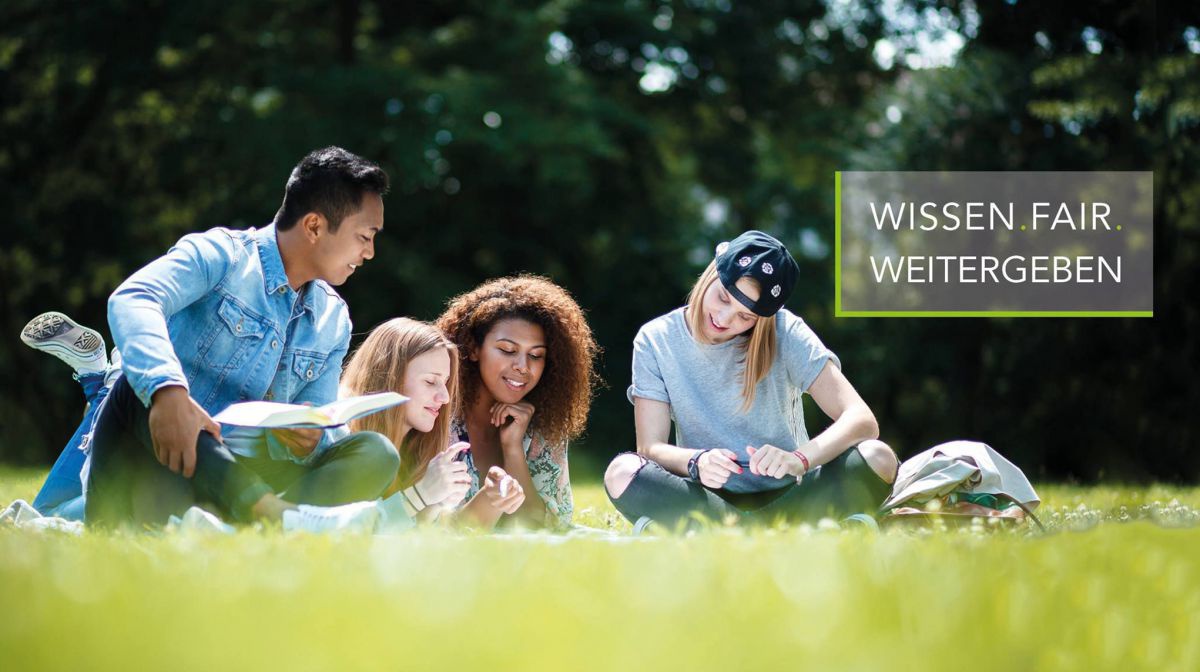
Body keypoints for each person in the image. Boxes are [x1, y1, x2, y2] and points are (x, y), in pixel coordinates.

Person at [83, 146, 401, 531]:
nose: (370, 252)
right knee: (142, 387)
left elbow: (320, 423)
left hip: (250, 480)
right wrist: (168, 391)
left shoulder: (333, 320)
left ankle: (248, 524)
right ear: (315, 226)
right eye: (365, 236)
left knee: (376, 452)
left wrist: (308, 440)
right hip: (164, 473)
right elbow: (134, 298)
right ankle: (269, 517)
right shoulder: (221, 255)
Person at [603, 230, 899, 532]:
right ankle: (789, 528)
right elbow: (650, 448)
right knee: (622, 471)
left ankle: (711, 531)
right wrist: (696, 462)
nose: (724, 317)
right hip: (707, 497)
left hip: (792, 493)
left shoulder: (787, 331)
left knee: (879, 457)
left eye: (745, 317)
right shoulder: (655, 339)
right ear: (712, 273)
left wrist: (800, 458)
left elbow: (862, 420)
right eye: (723, 297)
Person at [435, 275, 600, 530]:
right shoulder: (435, 414)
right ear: (473, 348)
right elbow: (434, 532)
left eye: (536, 355)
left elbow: (542, 529)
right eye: (508, 350)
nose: (523, 367)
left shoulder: (544, 425)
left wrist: (512, 448)